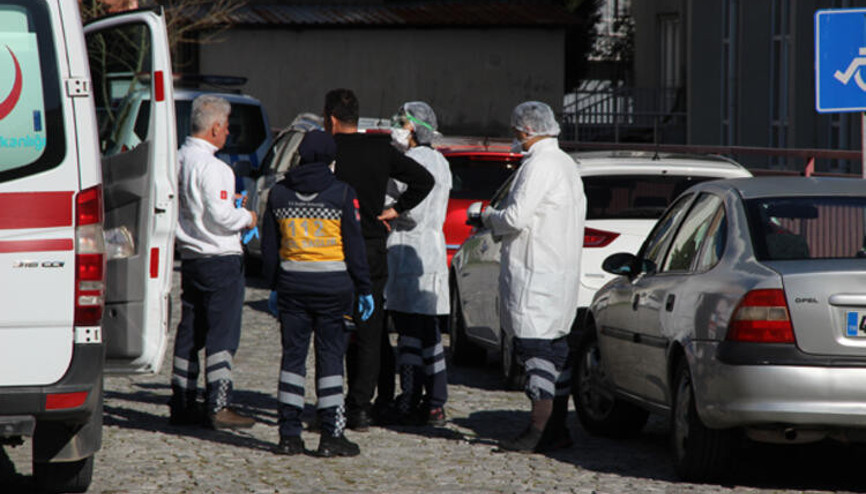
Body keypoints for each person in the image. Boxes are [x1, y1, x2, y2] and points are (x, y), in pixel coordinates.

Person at [324, 89, 435, 430]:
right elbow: (423, 180)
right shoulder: (378, 148)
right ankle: (360, 406)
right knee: (371, 330)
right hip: (371, 245)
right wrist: (395, 209)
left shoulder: (326, 150)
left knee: (330, 329)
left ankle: (329, 405)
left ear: (330, 119)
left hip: (331, 248)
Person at [261, 130, 373, 457]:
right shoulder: (341, 193)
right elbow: (354, 248)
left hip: (292, 288)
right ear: (329, 159)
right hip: (333, 289)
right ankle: (330, 436)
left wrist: (273, 286)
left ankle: (288, 435)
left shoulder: (279, 193)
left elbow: (270, 249)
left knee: (292, 360)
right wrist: (364, 288)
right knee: (330, 361)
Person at [482, 101, 586, 452]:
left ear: (526, 130)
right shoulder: (566, 164)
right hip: (558, 274)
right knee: (556, 351)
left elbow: (515, 218)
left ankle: (538, 430)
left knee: (535, 351)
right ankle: (557, 429)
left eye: (516, 132)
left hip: (537, 273)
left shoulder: (539, 165)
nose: (515, 137)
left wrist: (486, 217)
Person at [170, 94, 258, 429]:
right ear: (216, 127)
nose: (228, 133)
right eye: (227, 126)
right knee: (223, 332)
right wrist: (247, 216)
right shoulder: (215, 166)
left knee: (190, 330)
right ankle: (219, 404)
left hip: (191, 257)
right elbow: (222, 217)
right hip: (220, 257)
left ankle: (181, 400)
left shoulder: (177, 159)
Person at [382, 102, 452, 426]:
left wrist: (388, 205)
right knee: (430, 333)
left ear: (412, 127)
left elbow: (403, 208)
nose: (397, 125)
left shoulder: (411, 162)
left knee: (410, 330)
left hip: (409, 246)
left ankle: (411, 398)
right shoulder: (441, 161)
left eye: (401, 121)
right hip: (432, 251)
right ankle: (434, 401)